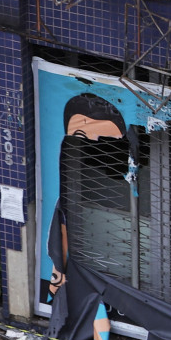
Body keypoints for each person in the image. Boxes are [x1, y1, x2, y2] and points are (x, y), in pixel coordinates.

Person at [45, 92, 128, 298]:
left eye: (107, 145)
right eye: (81, 140)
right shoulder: (64, 207)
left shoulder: (127, 203)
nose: (91, 153)